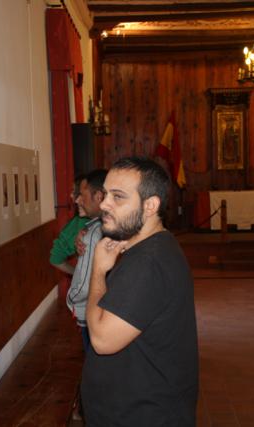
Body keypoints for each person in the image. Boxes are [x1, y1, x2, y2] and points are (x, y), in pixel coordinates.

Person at [81, 156, 199, 426]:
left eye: (118, 197)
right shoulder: (153, 248)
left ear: (150, 206)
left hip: (144, 415)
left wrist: (98, 271)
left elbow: (102, 340)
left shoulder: (149, 262)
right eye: (105, 194)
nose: (104, 204)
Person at [66, 169, 107, 351]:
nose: (77, 200)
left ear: (98, 196)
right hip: (100, 311)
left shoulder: (93, 234)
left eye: (82, 195)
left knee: (93, 356)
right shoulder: (93, 228)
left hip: (92, 313)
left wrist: (71, 298)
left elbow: (85, 285)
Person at [49, 174, 90, 275]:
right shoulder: (80, 222)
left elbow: (55, 259)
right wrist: (80, 276)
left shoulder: (81, 222)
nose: (72, 195)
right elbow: (55, 258)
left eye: (75, 192)